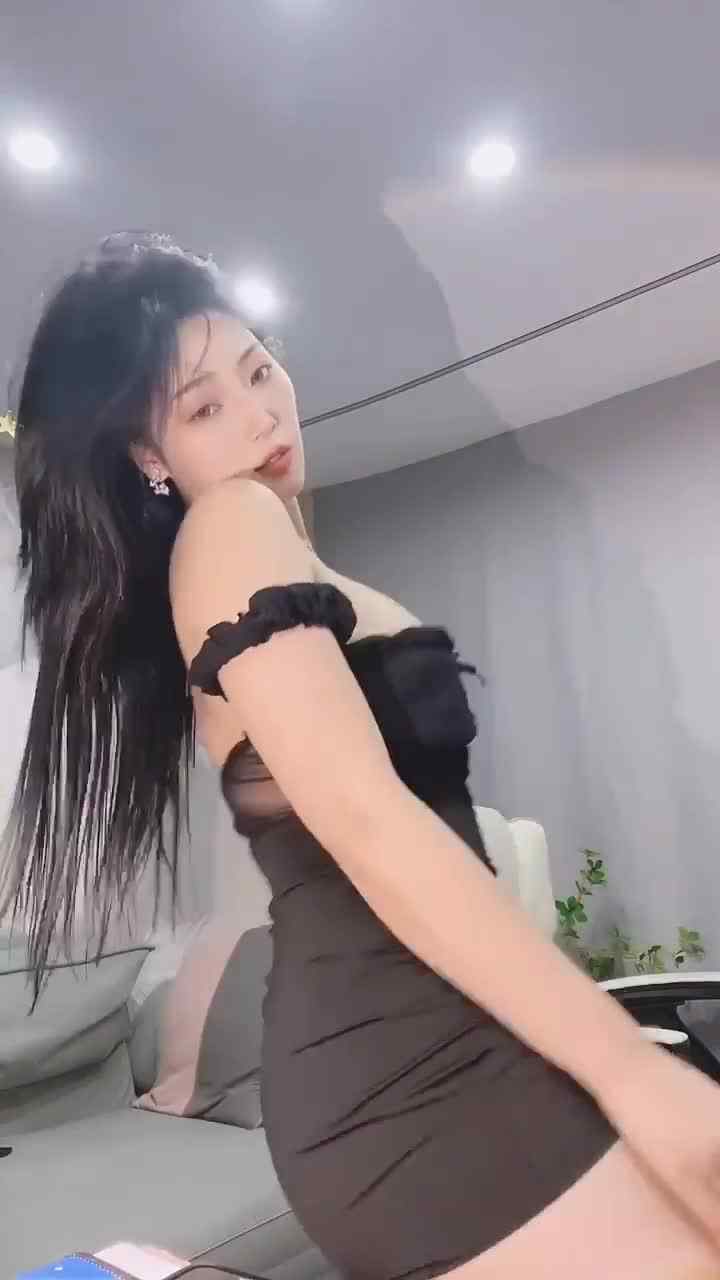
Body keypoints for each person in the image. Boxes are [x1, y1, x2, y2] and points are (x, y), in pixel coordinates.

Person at [2, 233, 720, 1280]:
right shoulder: (232, 523)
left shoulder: (267, 554)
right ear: (150, 458)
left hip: (449, 1034)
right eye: (205, 408)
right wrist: (632, 1071)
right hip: (400, 1069)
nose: (261, 415)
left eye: (261, 370)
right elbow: (368, 821)